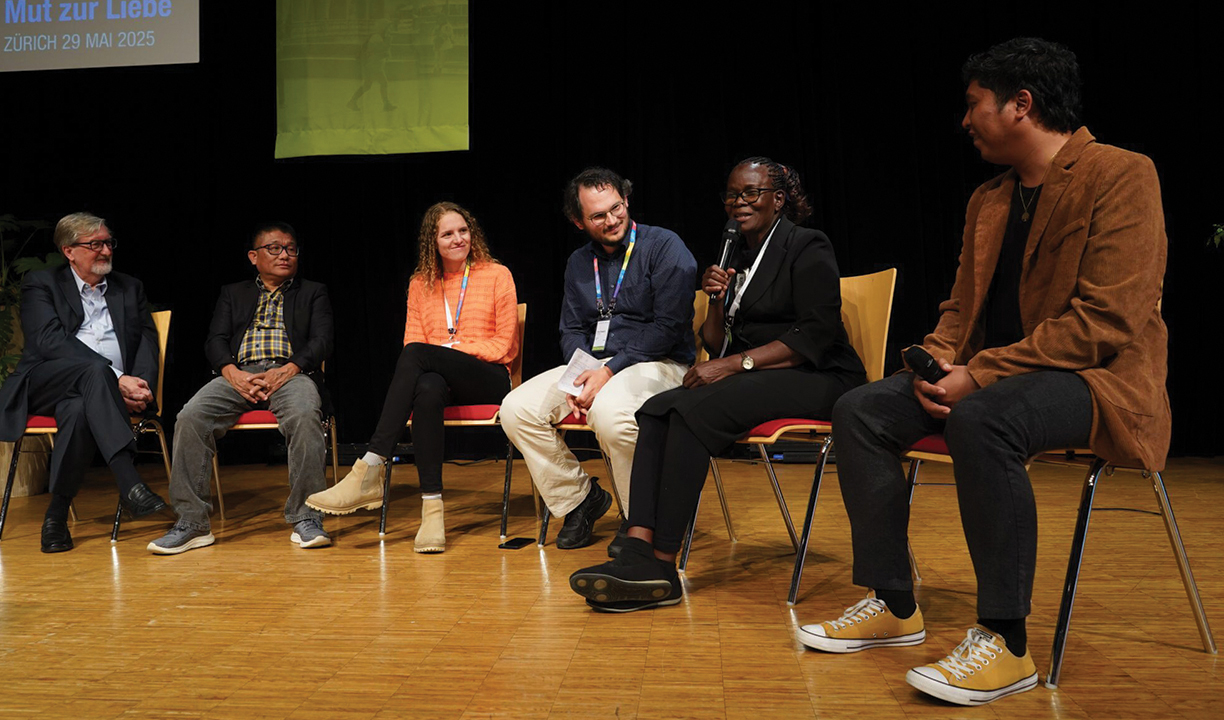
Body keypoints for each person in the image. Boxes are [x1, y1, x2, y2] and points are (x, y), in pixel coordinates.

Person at [796, 38, 1172, 707]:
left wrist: (982, 373)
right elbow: (960, 308)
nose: (965, 121)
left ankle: (1006, 642)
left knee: (983, 416)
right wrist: (937, 362)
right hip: (993, 377)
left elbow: (1107, 320)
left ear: (1020, 104)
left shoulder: (1121, 174)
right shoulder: (989, 199)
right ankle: (892, 602)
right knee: (861, 410)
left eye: (974, 105)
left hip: (1099, 382)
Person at [568, 158, 867, 611]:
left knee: (691, 412)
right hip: (760, 373)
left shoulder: (806, 244)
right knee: (655, 410)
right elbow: (714, 340)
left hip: (820, 375)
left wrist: (732, 365)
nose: (739, 203)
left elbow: (815, 335)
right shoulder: (738, 256)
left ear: (778, 199)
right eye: (732, 195)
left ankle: (662, 566)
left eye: (751, 193)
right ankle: (636, 546)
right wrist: (715, 303)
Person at [498, 167, 698, 551]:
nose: (611, 220)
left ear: (626, 200)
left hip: (660, 363)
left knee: (610, 414)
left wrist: (607, 372)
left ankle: (639, 518)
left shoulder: (664, 246)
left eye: (616, 208)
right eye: (598, 216)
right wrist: (581, 374)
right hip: (598, 366)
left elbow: (668, 328)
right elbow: (572, 328)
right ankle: (579, 500)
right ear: (578, 221)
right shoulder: (578, 263)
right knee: (516, 409)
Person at [305, 202, 518, 553]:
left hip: (489, 377)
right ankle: (432, 511)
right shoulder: (420, 283)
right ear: (432, 242)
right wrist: (441, 356)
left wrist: (455, 350)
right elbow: (411, 342)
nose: (457, 239)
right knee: (427, 386)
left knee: (419, 355)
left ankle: (370, 466)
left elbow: (502, 345)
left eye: (463, 231)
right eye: (447, 234)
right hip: (439, 379)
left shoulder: (497, 274)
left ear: (473, 233)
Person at [148, 222, 334, 554]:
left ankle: (306, 517)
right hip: (239, 374)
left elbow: (322, 341)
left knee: (305, 415)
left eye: (291, 248)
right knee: (190, 417)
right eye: (274, 248)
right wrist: (230, 371)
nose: (285, 254)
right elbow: (215, 340)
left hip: (291, 373)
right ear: (253, 256)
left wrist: (289, 368)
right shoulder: (233, 293)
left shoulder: (312, 290)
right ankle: (192, 523)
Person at [0, 212, 166, 553]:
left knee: (78, 410)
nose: (105, 251)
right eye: (94, 245)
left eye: (108, 243)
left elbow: (146, 337)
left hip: (96, 394)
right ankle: (129, 482)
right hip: (45, 383)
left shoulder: (129, 287)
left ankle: (55, 517)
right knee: (95, 371)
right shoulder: (41, 283)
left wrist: (140, 384)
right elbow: (49, 342)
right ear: (68, 251)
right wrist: (118, 380)